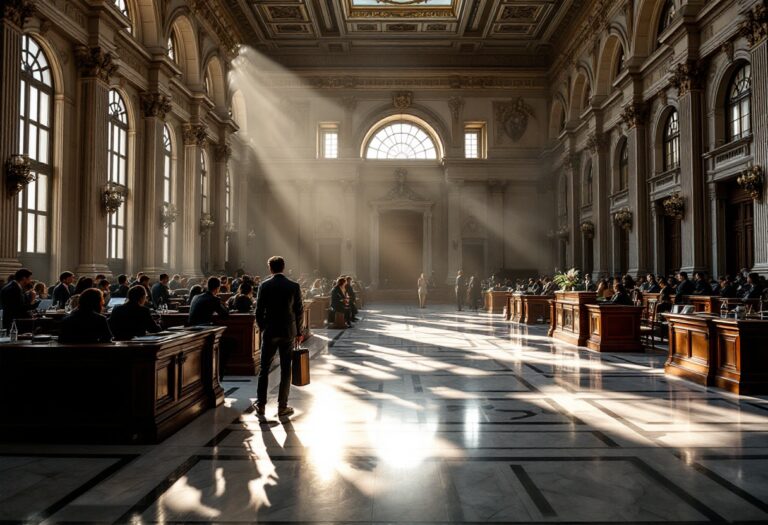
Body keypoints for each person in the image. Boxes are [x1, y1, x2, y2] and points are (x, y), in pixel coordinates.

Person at [254, 256, 304, 418]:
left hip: (270, 331)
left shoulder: (264, 285)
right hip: (288, 331)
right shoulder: (293, 286)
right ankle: (282, 406)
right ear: (283, 267)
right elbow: (299, 310)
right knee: (285, 370)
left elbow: (258, 311)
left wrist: (263, 328)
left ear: (270, 268)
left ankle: (261, 405)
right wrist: (299, 332)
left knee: (264, 369)